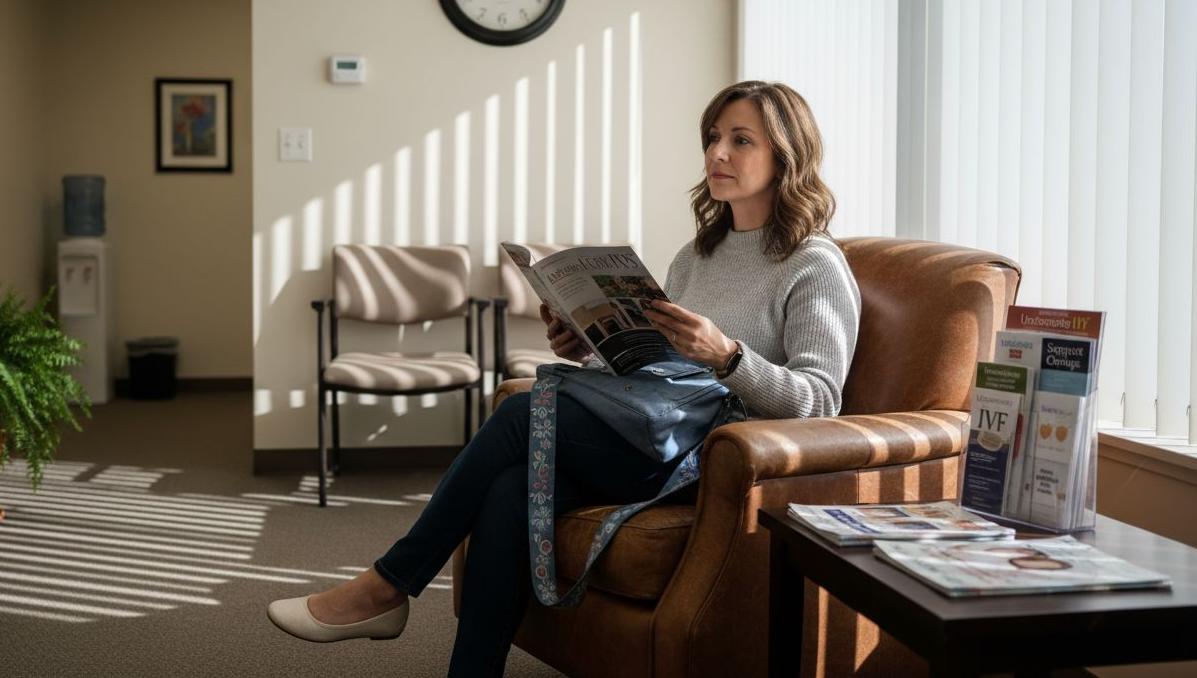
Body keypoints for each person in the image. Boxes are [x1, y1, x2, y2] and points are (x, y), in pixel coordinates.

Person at [266, 80, 862, 676]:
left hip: (710, 461)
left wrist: (728, 356)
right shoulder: (697, 254)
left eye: (740, 140)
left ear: (786, 155)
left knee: (520, 413)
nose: (717, 154)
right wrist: (588, 348)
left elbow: (820, 403)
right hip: (653, 435)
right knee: (510, 490)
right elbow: (655, 370)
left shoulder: (814, 263)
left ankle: (386, 586)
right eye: (712, 138)